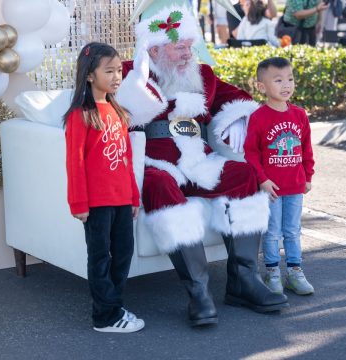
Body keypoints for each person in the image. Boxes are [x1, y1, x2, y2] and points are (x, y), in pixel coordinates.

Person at [116, 4, 288, 327]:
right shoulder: (131, 71)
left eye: (189, 46)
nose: (187, 54)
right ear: (153, 48)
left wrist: (238, 119)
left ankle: (243, 281)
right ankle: (198, 292)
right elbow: (117, 111)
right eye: (178, 47)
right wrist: (137, 83)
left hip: (199, 160)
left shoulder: (203, 75)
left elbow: (236, 99)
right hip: (157, 162)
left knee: (245, 174)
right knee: (159, 185)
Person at [63, 42, 144, 333]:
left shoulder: (116, 111)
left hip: (122, 199)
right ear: (89, 75)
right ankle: (104, 317)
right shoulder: (80, 115)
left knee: (123, 253)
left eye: (119, 70)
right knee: (100, 257)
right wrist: (79, 204)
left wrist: (134, 196)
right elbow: (75, 162)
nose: (116, 76)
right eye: (108, 71)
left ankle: (114, 304)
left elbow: (126, 159)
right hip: (96, 203)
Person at [244, 57, 315, 296]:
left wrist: (308, 175)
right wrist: (262, 180)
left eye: (290, 79)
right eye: (278, 80)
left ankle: (295, 272)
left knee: (293, 230)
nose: (286, 85)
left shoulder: (299, 115)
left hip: (295, 186)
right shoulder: (259, 117)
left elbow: (306, 148)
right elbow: (251, 153)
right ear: (262, 87)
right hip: (271, 188)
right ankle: (272, 271)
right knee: (272, 232)